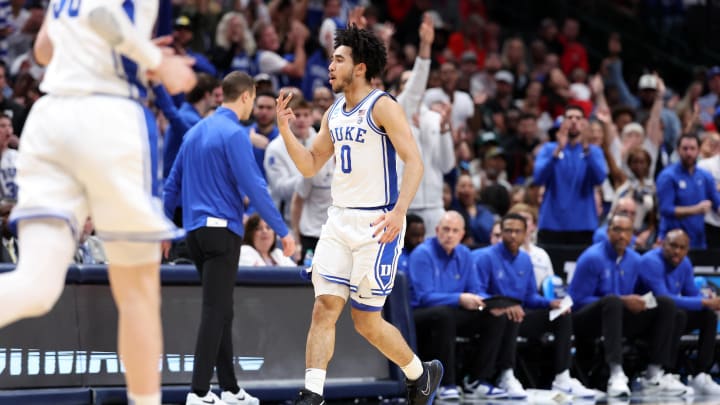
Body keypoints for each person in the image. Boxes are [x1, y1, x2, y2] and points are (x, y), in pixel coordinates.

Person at [1, 2, 196, 405]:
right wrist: (156, 58)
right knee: (138, 292)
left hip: (50, 118)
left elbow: (43, 50)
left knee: (36, 285)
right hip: (108, 117)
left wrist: (113, 47)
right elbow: (102, 18)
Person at [274, 25, 443, 405]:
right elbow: (310, 165)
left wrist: (400, 212)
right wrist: (286, 132)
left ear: (361, 67)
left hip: (377, 224)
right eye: (332, 59)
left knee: (365, 321)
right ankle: (312, 394)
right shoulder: (334, 112)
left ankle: (421, 372)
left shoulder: (382, 106)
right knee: (324, 308)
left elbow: (414, 162)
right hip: (338, 222)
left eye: (338, 60)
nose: (330, 67)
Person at [163, 71, 295, 405]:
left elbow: (171, 185)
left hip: (193, 234)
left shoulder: (194, 131)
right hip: (222, 232)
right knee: (214, 310)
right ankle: (198, 391)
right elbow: (255, 187)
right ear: (247, 96)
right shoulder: (235, 133)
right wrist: (282, 229)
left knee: (222, 309)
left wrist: (165, 228)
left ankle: (231, 388)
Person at [567, 214, 691, 397]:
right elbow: (576, 300)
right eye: (617, 230)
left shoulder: (635, 260)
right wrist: (622, 300)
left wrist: (643, 303)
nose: (622, 236)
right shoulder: (592, 257)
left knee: (666, 304)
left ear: (633, 234)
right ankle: (616, 373)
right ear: (608, 231)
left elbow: (642, 295)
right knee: (613, 301)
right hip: (586, 320)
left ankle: (654, 373)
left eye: (627, 231)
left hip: (619, 318)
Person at [473, 213, 594, 399]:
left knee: (561, 314)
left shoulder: (525, 259)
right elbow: (478, 293)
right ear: (501, 233)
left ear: (525, 234)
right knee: (512, 313)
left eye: (517, 231)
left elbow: (530, 297)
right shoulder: (486, 258)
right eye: (508, 231)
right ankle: (506, 374)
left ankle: (562, 377)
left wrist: (551, 303)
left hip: (523, 314)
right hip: (496, 317)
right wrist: (505, 305)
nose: (513, 235)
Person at [409, 211, 511, 400]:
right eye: (446, 229)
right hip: (421, 314)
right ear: (437, 230)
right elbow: (424, 297)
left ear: (462, 235)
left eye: (455, 231)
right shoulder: (422, 254)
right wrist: (459, 298)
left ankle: (477, 380)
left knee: (495, 316)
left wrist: (489, 303)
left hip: (452, 312)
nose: (450, 234)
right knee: (444, 315)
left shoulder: (465, 253)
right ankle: (445, 383)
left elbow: (475, 289)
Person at [638, 228, 720, 395]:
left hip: (671, 318)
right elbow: (665, 298)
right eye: (673, 246)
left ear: (687, 249)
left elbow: (692, 294)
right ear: (661, 244)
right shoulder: (650, 262)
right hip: (644, 319)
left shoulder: (685, 263)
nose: (677, 251)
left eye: (682, 248)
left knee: (708, 315)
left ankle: (700, 374)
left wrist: (708, 304)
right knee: (678, 313)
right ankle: (665, 372)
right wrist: (705, 302)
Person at [534, 105, 607, 245]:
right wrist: (558, 150)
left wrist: (586, 148)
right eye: (569, 117)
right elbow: (538, 178)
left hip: (584, 225)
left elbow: (600, 178)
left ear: (584, 124)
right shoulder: (549, 149)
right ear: (563, 123)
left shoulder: (593, 151)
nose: (574, 121)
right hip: (552, 224)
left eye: (578, 118)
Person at [656, 133, 720, 248]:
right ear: (678, 150)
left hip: (698, 240)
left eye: (692, 149)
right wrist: (696, 209)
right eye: (685, 149)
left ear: (699, 150)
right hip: (672, 240)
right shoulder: (668, 176)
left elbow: (717, 203)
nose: (688, 153)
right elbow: (666, 209)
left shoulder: (705, 176)